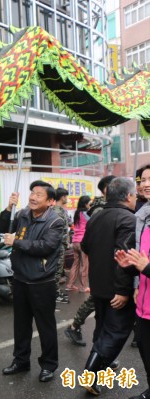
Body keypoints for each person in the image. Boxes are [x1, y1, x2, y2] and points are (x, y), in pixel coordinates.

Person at [0, 180, 64, 383]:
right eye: (32, 193)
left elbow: (44, 247)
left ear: (51, 201)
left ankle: (49, 365)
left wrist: (16, 242)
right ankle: (21, 361)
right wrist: (9, 209)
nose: (33, 197)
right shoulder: (23, 213)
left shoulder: (55, 221)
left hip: (41, 281)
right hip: (20, 278)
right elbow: (2, 228)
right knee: (21, 325)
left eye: (39, 194)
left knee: (45, 326)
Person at [80, 177, 137, 395]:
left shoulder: (96, 217)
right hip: (116, 288)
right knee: (115, 331)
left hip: (99, 285)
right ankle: (91, 373)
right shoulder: (128, 219)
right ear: (128, 196)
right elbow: (123, 257)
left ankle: (103, 365)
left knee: (103, 328)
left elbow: (85, 246)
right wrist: (123, 290)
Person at [64, 175, 116, 346]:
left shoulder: (107, 206)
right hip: (104, 260)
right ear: (108, 189)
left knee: (100, 298)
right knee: (98, 298)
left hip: (112, 260)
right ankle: (98, 345)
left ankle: (78, 328)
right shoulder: (100, 209)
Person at [115, 164, 150, 399]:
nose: (145, 184)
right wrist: (132, 271)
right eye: (143, 179)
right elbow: (141, 258)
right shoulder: (143, 217)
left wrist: (146, 267)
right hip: (145, 307)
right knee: (147, 357)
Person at [65, 195, 91, 292]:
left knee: (75, 264)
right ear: (85, 203)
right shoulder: (86, 213)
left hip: (75, 241)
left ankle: (70, 285)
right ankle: (84, 287)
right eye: (89, 203)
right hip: (83, 242)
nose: (90, 205)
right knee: (84, 265)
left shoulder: (76, 213)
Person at [53, 187, 71, 304]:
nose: (67, 199)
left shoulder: (60, 210)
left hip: (61, 245)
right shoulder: (57, 211)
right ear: (63, 197)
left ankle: (56, 291)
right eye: (66, 196)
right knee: (56, 271)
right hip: (57, 246)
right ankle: (54, 294)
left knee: (59, 271)